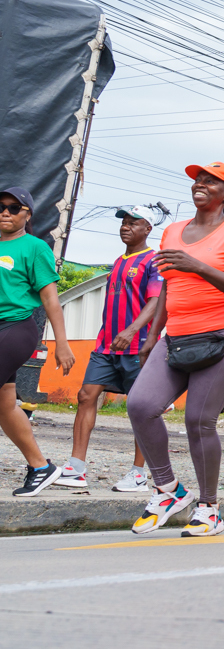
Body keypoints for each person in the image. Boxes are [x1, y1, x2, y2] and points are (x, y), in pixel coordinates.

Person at [128, 164, 224, 536]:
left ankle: (209, 508)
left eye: (211, 180)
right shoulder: (172, 231)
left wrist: (197, 265)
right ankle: (168, 491)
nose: (200, 184)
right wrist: (153, 337)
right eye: (198, 179)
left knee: (198, 421)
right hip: (176, 336)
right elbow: (168, 286)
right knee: (140, 405)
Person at [57, 205, 160, 492]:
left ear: (147, 229)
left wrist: (131, 331)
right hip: (106, 345)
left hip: (138, 347)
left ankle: (139, 474)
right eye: (123, 223)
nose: (125, 227)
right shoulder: (117, 262)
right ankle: (75, 467)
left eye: (133, 223)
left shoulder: (154, 261)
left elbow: (155, 302)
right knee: (85, 396)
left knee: (141, 408)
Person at [0, 187, 74, 496]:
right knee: (5, 406)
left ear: (27, 215)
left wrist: (63, 343)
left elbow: (50, 300)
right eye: (1, 206)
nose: (5, 212)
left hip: (16, 328)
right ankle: (41, 467)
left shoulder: (34, 248)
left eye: (13, 208)